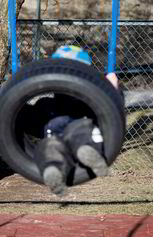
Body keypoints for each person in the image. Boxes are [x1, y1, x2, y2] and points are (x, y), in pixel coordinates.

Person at [30, 45, 123, 195]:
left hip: (55, 128)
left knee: (51, 146)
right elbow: (113, 109)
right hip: (79, 125)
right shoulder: (93, 92)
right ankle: (85, 152)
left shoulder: (48, 102)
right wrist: (113, 89)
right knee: (82, 135)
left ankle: (54, 168)